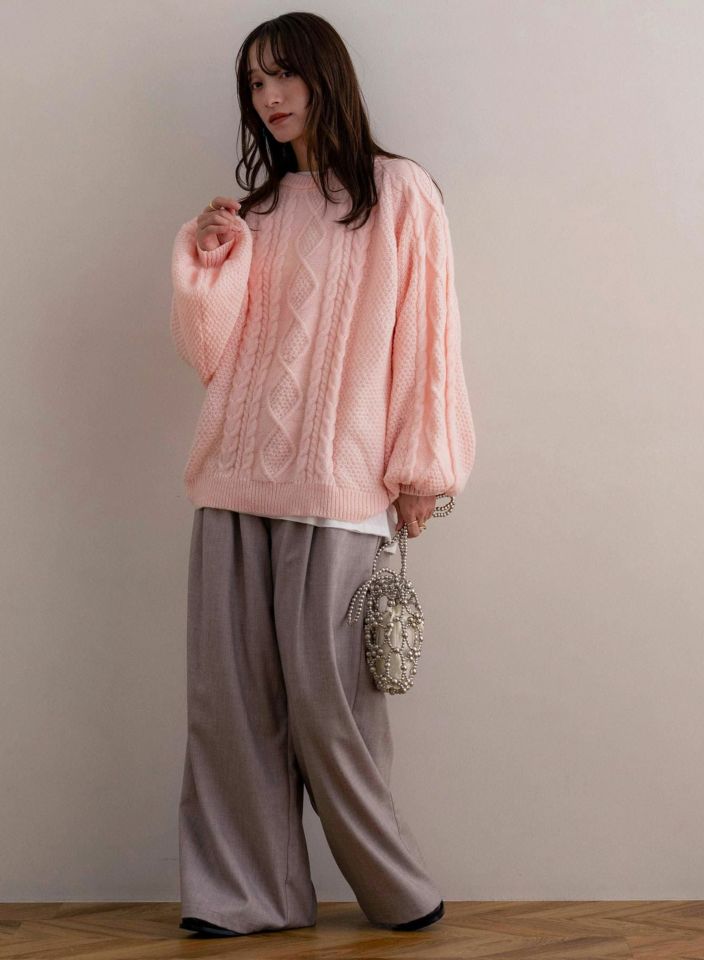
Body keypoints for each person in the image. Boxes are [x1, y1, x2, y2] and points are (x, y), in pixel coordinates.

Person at [169, 11, 476, 938]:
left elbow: (428, 339)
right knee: (230, 707)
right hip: (232, 479)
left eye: (284, 76)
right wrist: (209, 258)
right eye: (255, 84)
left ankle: (396, 888)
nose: (269, 97)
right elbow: (211, 354)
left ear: (325, 75)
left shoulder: (398, 192)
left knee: (329, 704)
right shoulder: (257, 213)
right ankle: (244, 896)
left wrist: (419, 470)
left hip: (339, 489)